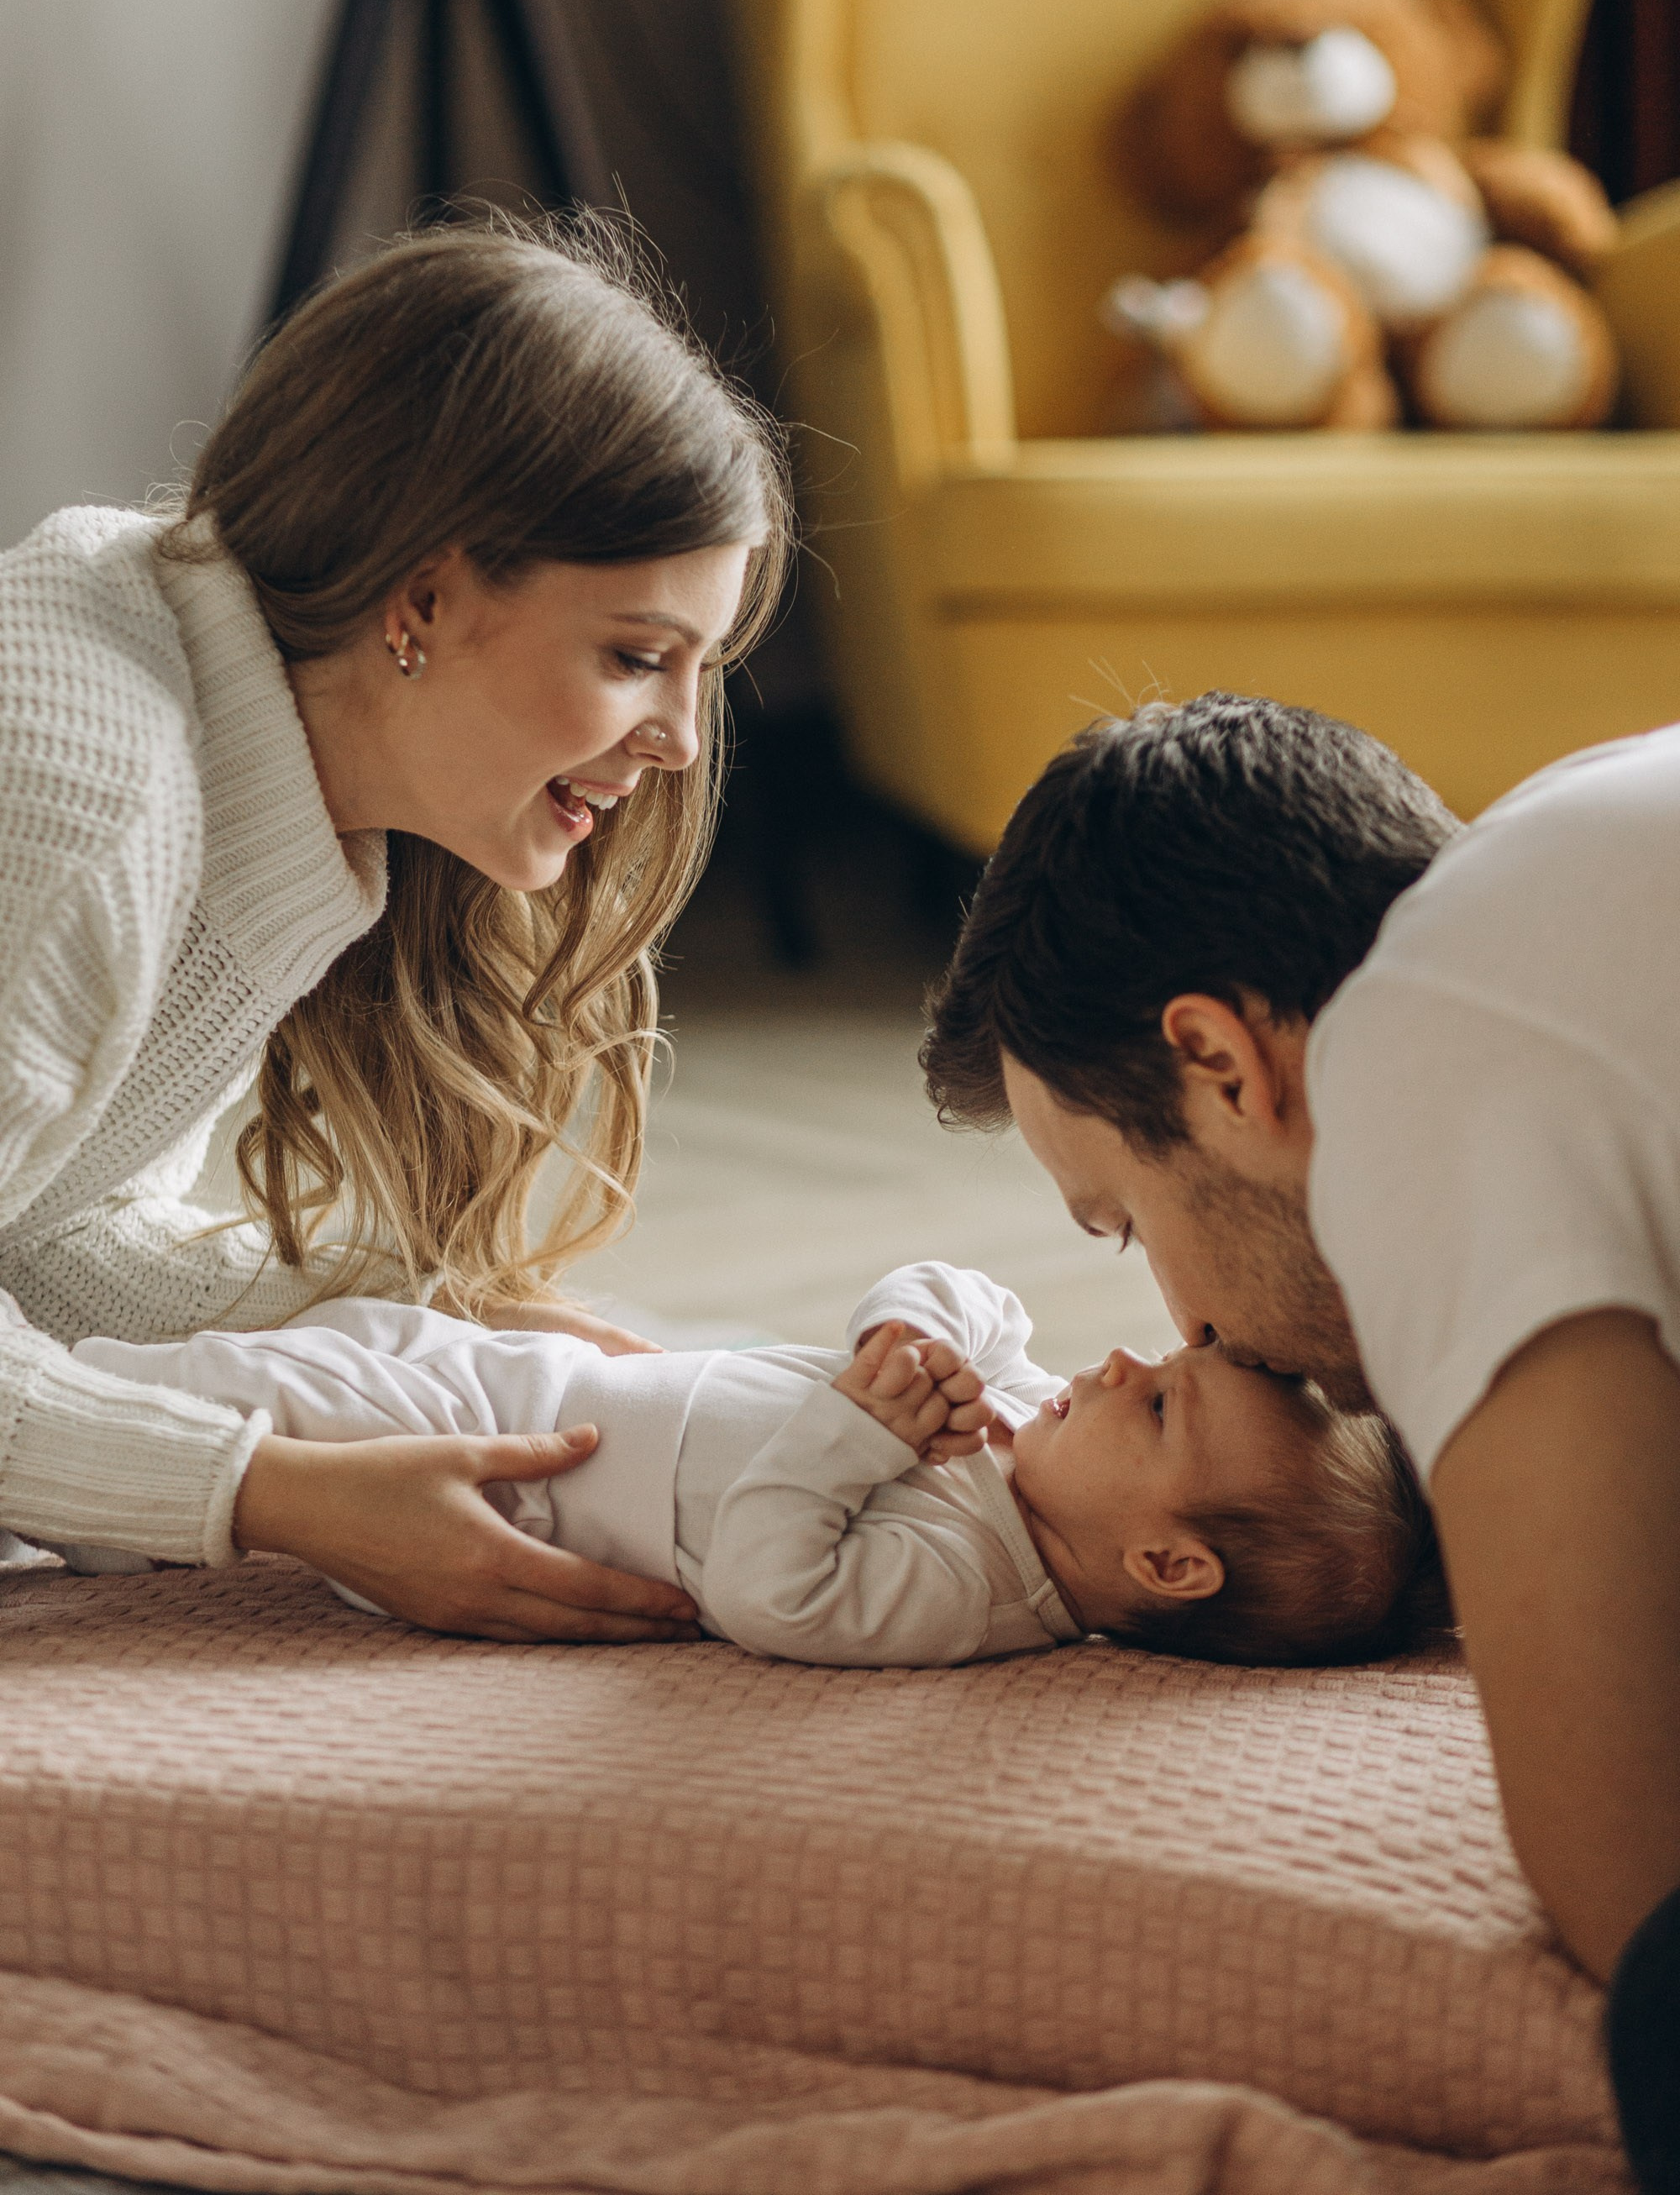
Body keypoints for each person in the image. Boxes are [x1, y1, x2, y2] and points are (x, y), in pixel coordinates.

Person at [921, 694, 1680, 2195]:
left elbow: (1622, 1869)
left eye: (1129, 1219)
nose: (1181, 1328)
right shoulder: (1575, 830)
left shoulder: (1425, 1059)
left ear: (1219, 1065)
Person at [0, 218, 790, 1646]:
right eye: (634, 657)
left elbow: (45, 1228)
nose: (678, 740)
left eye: (700, 670)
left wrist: (429, 1314)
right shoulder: (84, 796)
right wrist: (264, 1493)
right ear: (420, 600)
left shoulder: (272, 772)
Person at [59, 1258, 1438, 1670]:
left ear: (1168, 1563)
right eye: (1160, 1362)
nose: (1125, 1368)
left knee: (247, 1397)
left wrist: (859, 1431)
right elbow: (970, 1288)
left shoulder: (969, 1587)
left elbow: (775, 1592)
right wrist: (914, 1329)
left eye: (1158, 1414)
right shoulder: (1028, 1428)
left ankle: (60, 1472)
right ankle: (62, 1371)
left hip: (487, 1471)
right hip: (542, 1379)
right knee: (328, 1318)